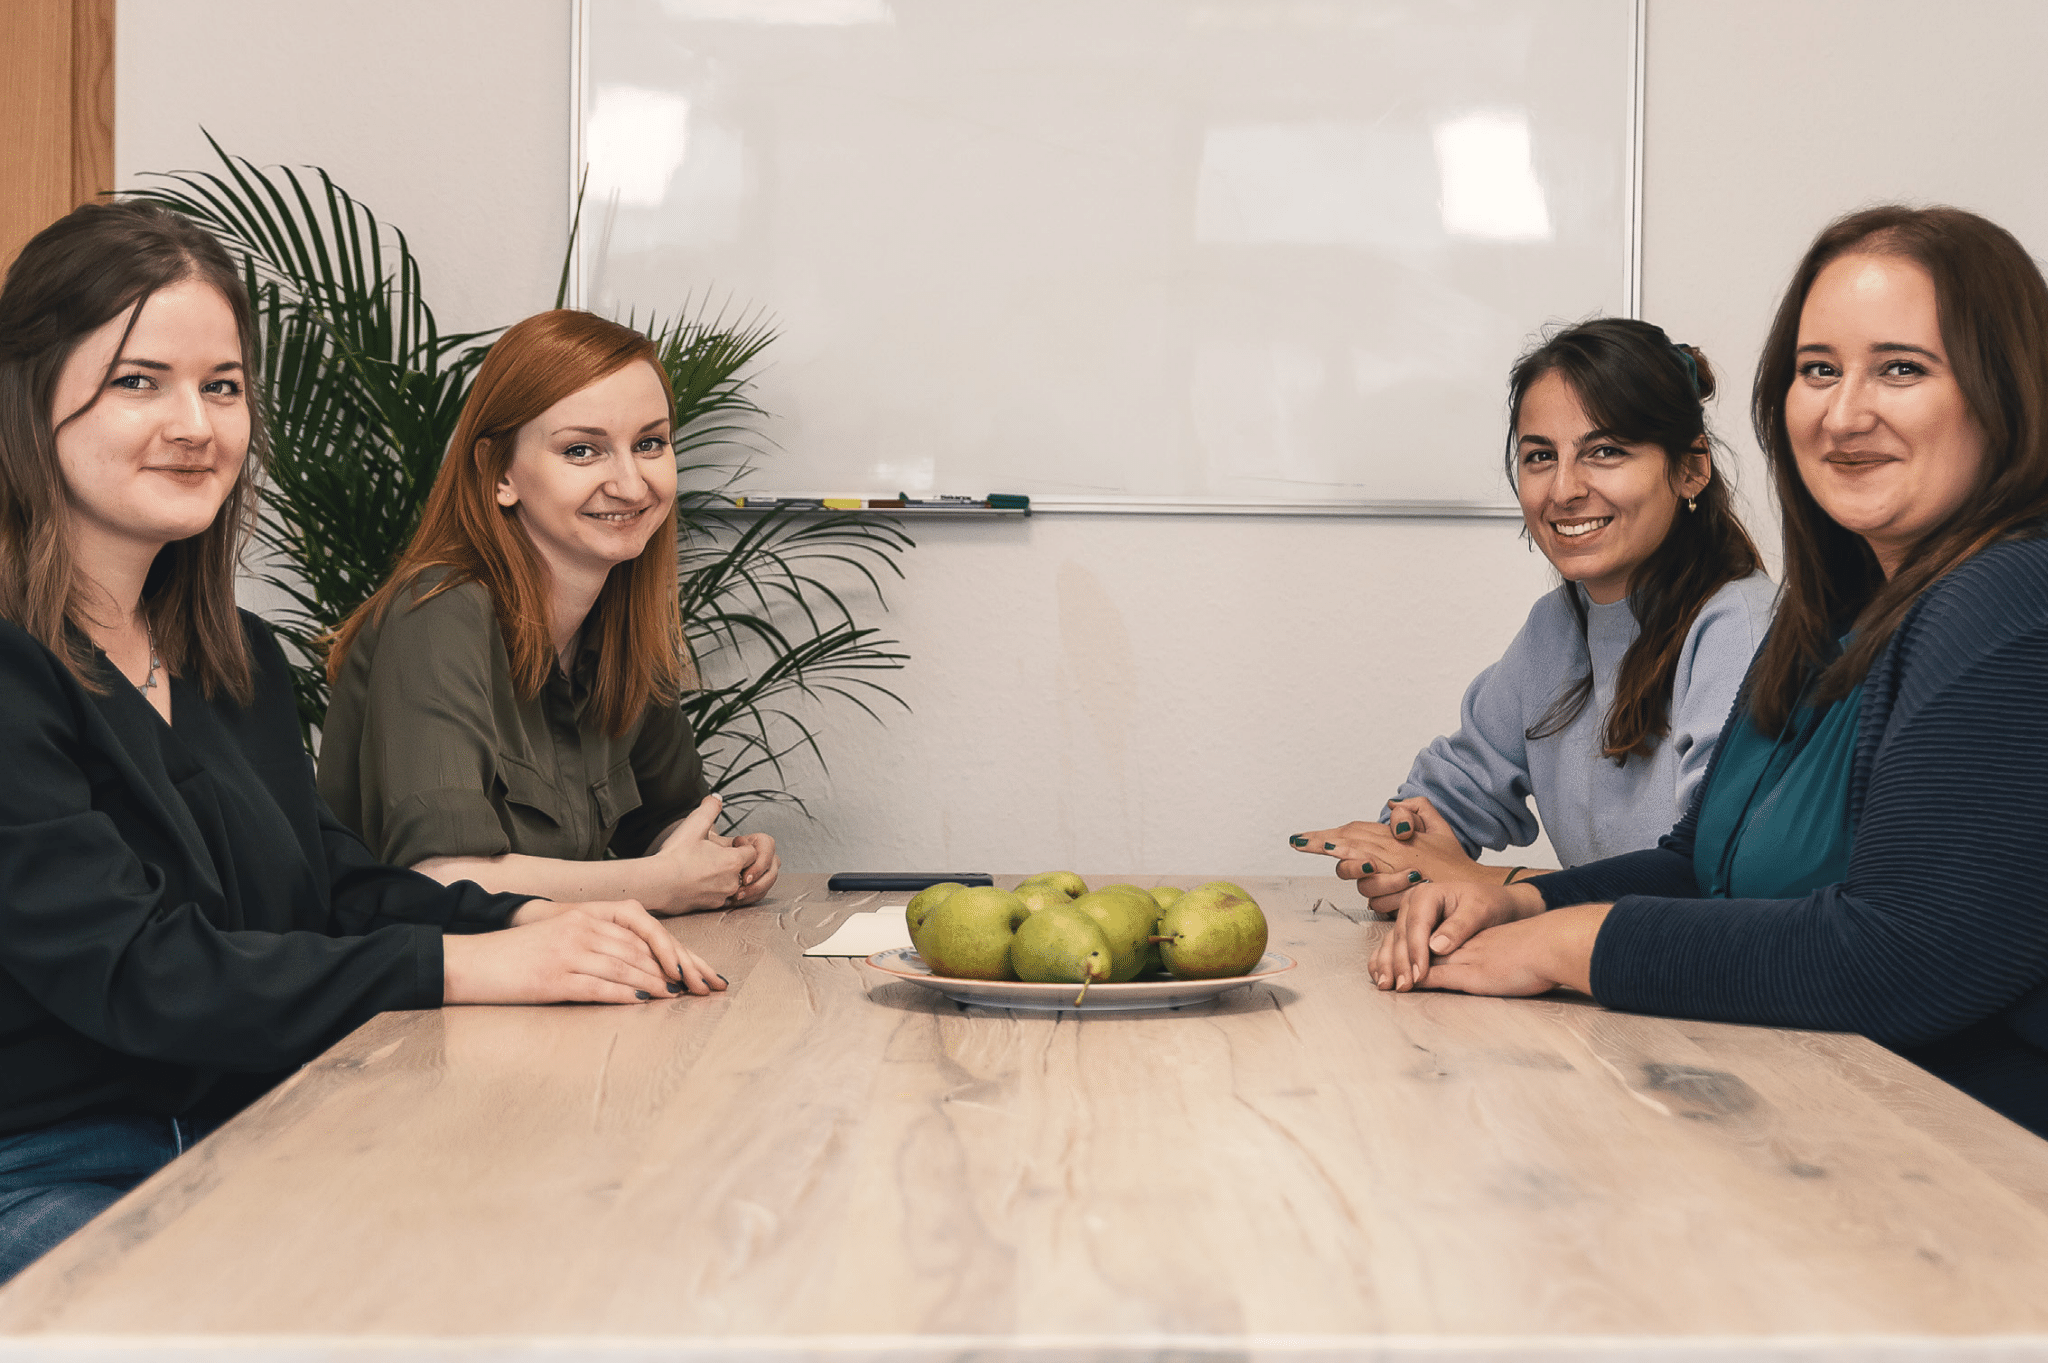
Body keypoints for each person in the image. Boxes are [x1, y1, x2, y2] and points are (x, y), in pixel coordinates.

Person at [0, 201, 723, 1283]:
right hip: (53, 1169)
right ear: (27, 399)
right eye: (138, 380)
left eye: (224, 385)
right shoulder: (14, 664)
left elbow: (329, 884)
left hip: (254, 1128)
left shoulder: (228, 651)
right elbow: (141, 972)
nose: (195, 423)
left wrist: (531, 919)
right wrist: (462, 961)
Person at [1371, 205, 2048, 1140]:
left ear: (2004, 391)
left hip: (1985, 1181)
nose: (1845, 413)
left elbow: (1902, 956)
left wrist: (1573, 942)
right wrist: (1515, 898)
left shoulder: (2014, 602)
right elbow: (1701, 862)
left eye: (1902, 367)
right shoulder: (1830, 616)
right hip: (1824, 1113)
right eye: (1819, 370)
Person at [1291, 319, 1775, 901]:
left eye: (1605, 451)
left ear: (1691, 468)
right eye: (1540, 456)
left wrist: (1490, 886)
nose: (1564, 489)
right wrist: (1405, 850)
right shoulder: (1556, 627)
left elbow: (1724, 882)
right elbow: (1454, 792)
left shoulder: (1740, 628)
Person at [318, 310, 778, 914]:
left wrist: (724, 858)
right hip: (413, 1001)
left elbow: (667, 821)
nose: (632, 484)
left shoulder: (619, 618)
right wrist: (657, 884)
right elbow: (444, 877)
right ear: (498, 472)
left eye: (650, 444)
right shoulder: (436, 612)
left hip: (556, 984)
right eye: (582, 450)